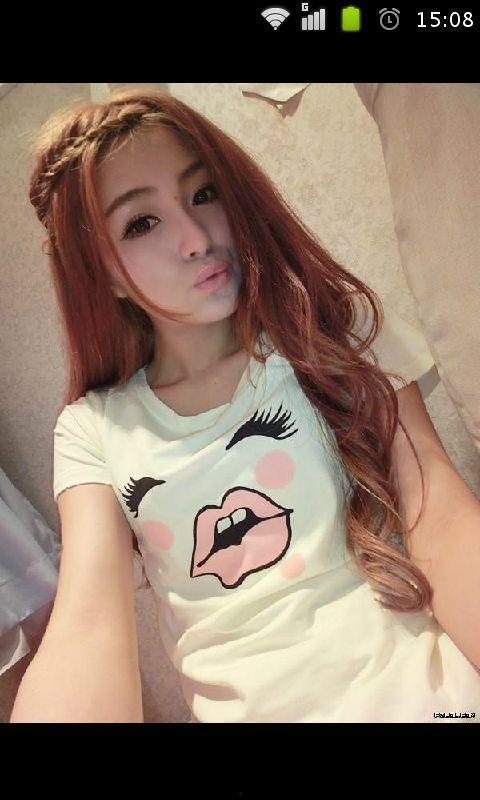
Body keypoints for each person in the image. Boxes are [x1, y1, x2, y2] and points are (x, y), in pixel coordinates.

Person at [13, 86, 480, 723]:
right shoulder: (95, 429)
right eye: (141, 223)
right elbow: (87, 625)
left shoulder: (334, 331)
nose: (196, 237)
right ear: (105, 273)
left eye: (203, 193)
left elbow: (440, 517)